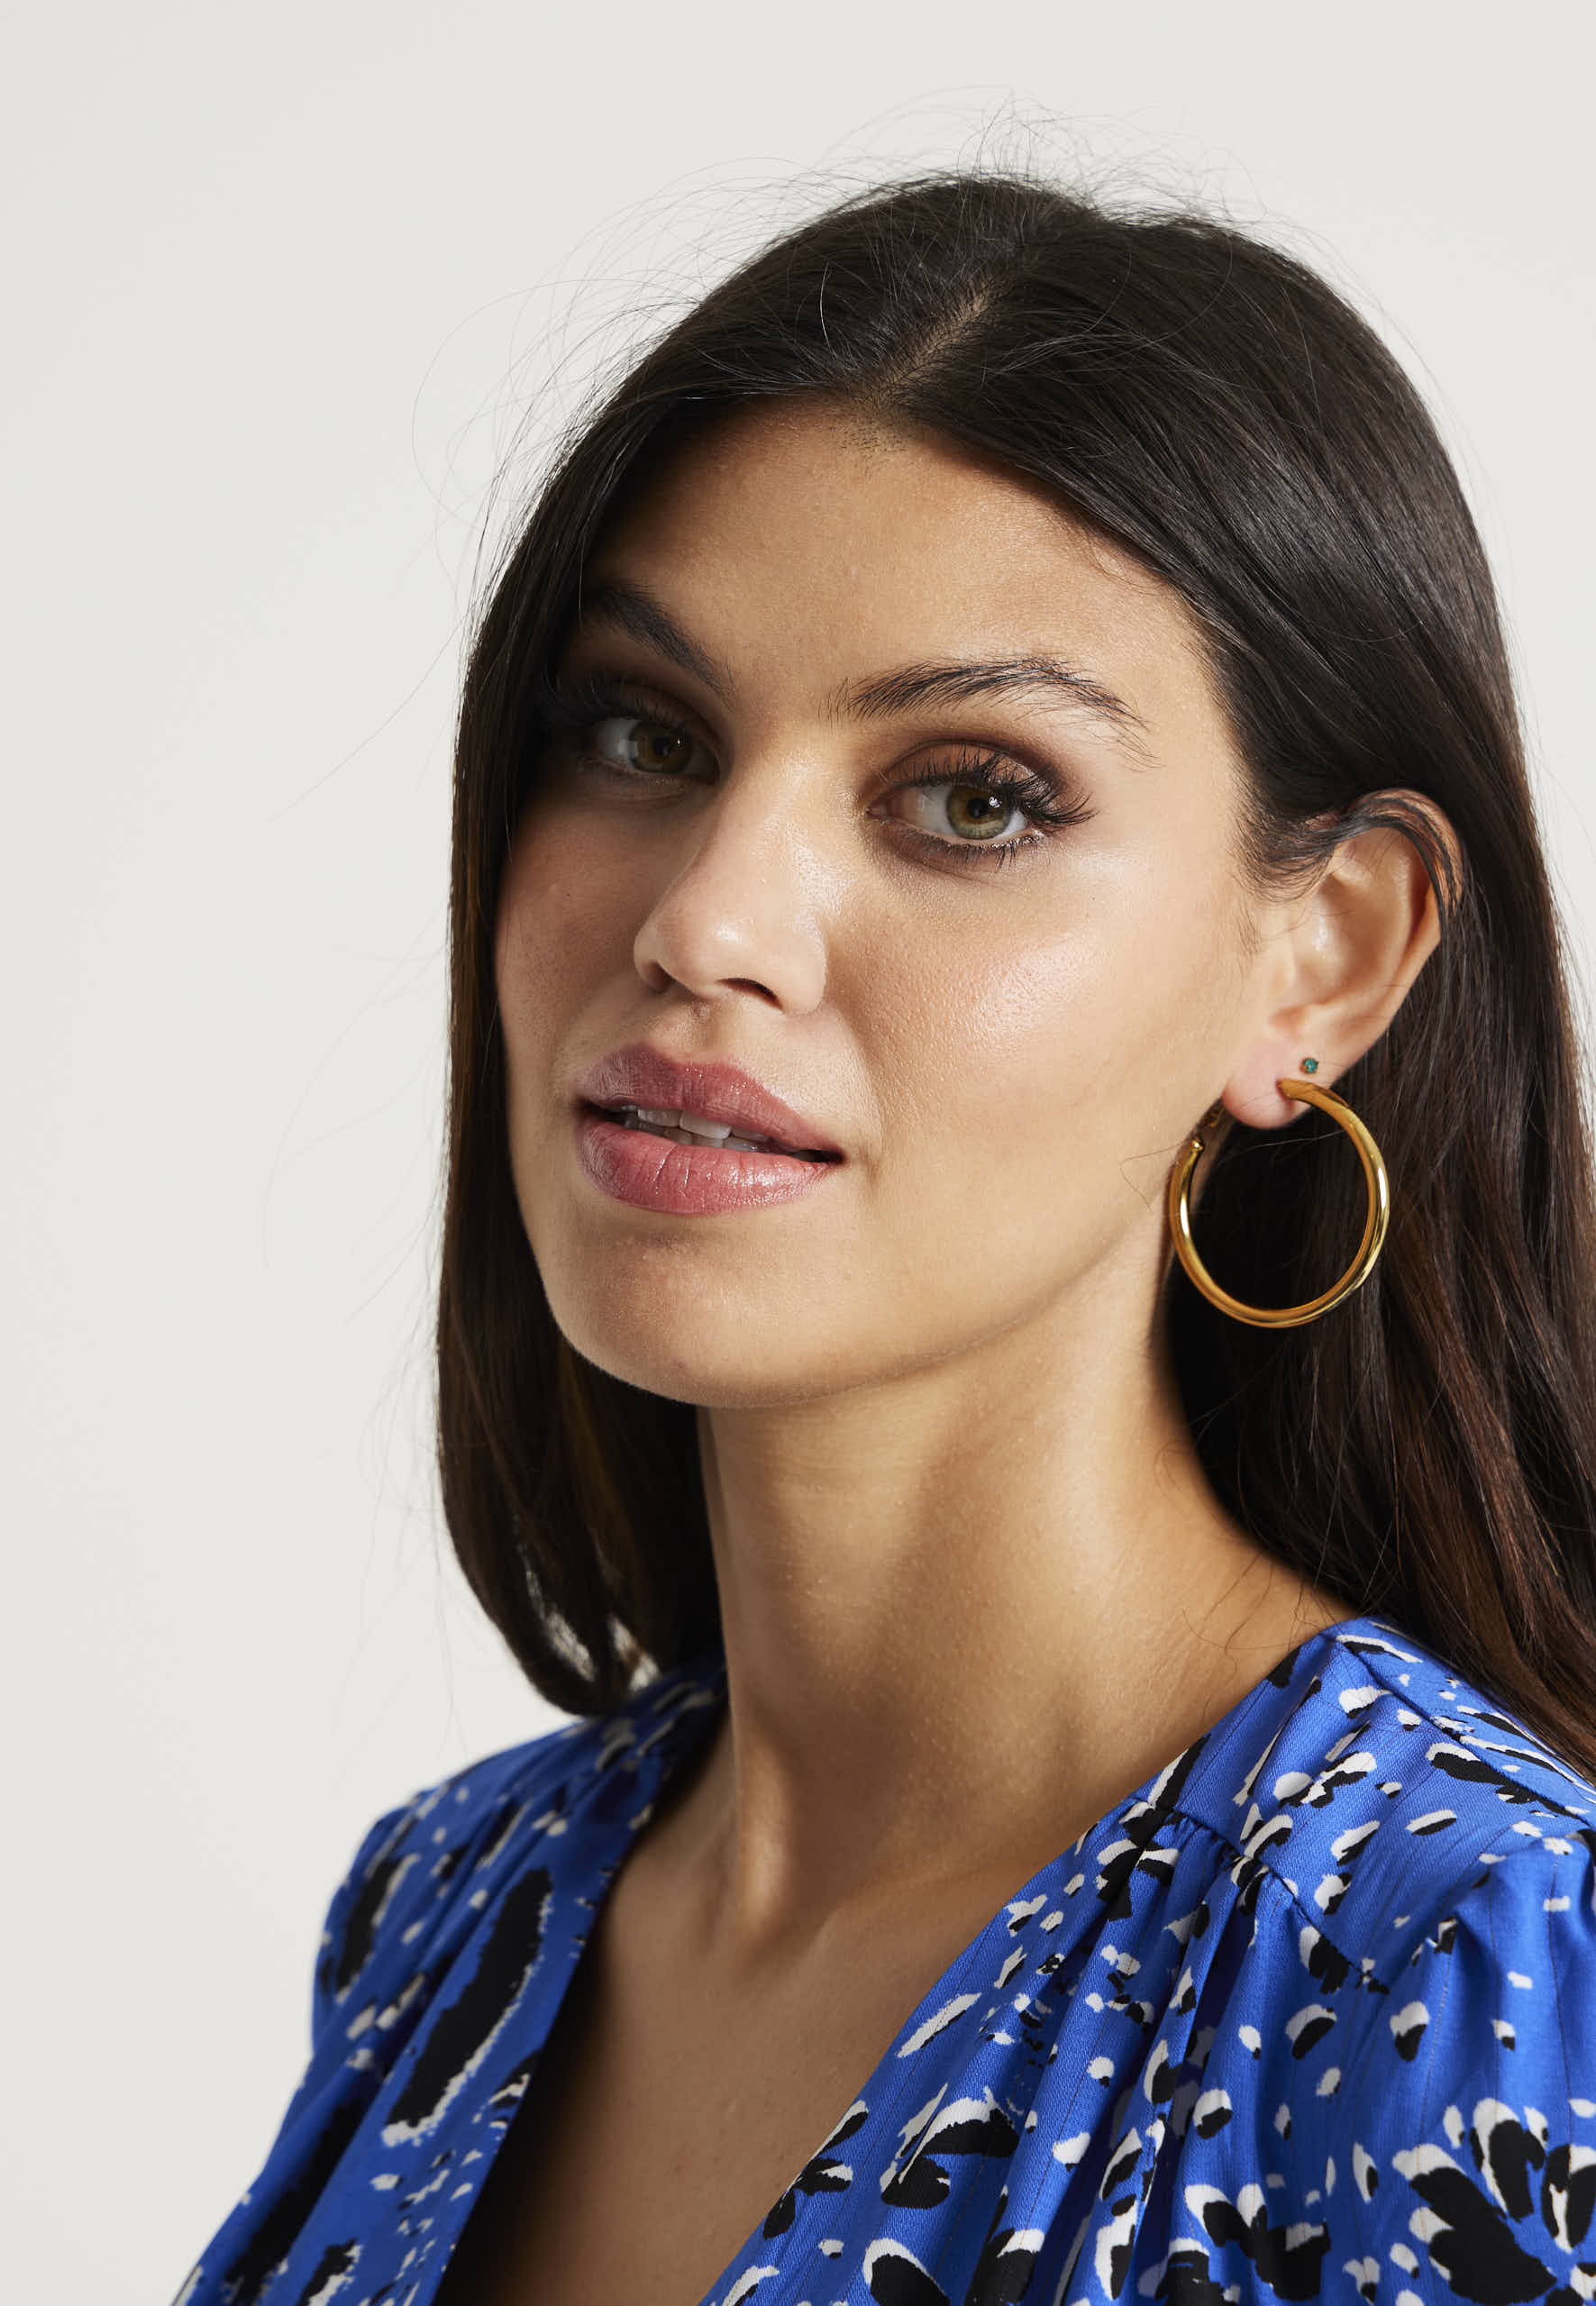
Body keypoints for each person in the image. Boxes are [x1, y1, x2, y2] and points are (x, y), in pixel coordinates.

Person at [172, 169, 1596, 2306]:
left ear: (1321, 956)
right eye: (643, 735)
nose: (704, 919)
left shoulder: (1472, 1971)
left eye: (974, 795)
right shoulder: (451, 1910)